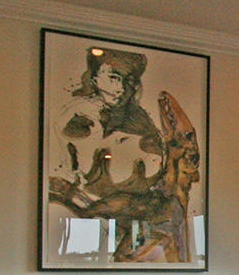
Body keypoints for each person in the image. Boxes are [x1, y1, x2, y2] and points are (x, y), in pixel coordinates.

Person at [46, 46, 200, 263]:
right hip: (127, 212)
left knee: (129, 256)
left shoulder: (144, 124)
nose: (120, 88)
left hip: (145, 215)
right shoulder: (77, 114)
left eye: (128, 81)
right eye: (113, 78)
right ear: (94, 79)